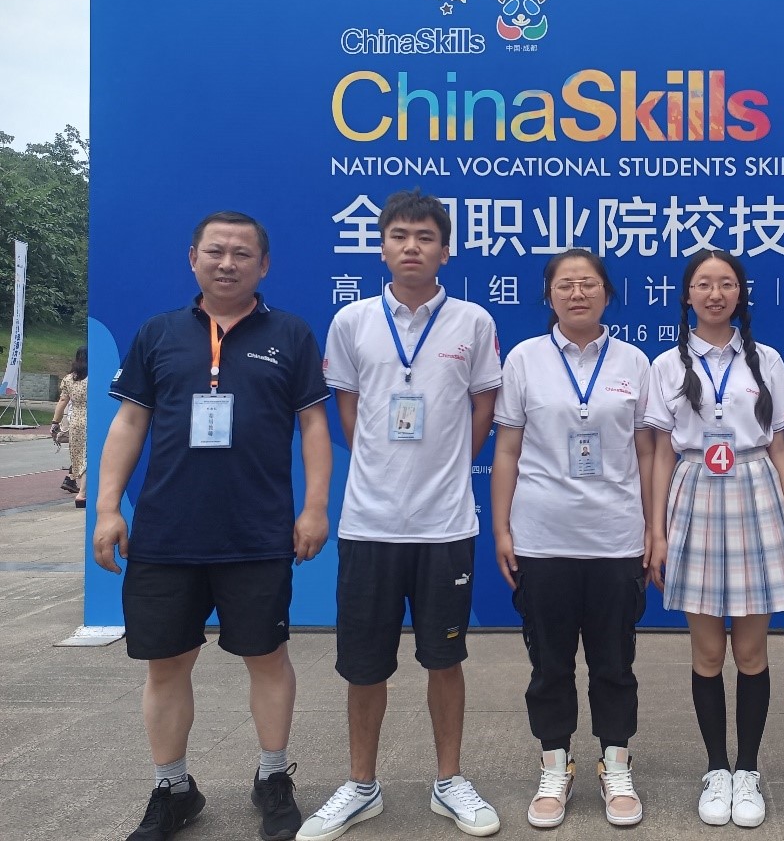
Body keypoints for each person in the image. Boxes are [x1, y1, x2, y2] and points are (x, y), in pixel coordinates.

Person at [94, 211, 333, 841]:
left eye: (242, 254)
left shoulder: (290, 334)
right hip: (166, 533)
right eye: (216, 251)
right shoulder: (158, 333)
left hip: (257, 532)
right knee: (166, 664)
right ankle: (172, 788)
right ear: (193, 257)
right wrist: (108, 507)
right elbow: (129, 423)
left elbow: (314, 426)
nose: (228, 263)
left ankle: (273, 777)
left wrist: (314, 508)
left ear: (264, 265)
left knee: (267, 657)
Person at [302, 190, 502, 841]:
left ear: (446, 250)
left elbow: (483, 406)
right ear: (381, 246)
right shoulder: (352, 321)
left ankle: (450, 781)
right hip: (369, 523)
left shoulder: (473, 321)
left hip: (446, 525)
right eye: (399, 235)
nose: (411, 246)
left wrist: (451, 462)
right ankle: (361, 785)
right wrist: (382, 462)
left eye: (425, 236)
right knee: (364, 665)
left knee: (445, 659)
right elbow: (349, 408)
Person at [490, 248, 654, 829]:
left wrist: (652, 528)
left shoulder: (634, 361)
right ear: (549, 295)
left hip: (615, 537)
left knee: (614, 662)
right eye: (565, 285)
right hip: (543, 536)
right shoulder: (525, 359)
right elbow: (507, 449)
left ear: (607, 293)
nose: (577, 293)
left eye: (588, 284)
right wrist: (502, 527)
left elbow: (646, 451)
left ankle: (616, 763)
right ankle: (555, 764)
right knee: (550, 663)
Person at [644, 249, 784, 829]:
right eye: (704, 284)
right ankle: (716, 768)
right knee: (708, 652)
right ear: (687, 295)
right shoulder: (667, 364)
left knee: (752, 652)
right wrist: (656, 529)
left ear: (741, 293)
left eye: (726, 284)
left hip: (756, 488)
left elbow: (780, 443)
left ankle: (748, 771)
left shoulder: (767, 360)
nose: (715, 294)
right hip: (693, 491)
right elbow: (661, 452)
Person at [51, 344, 88, 508]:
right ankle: (83, 494)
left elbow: (62, 401)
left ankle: (78, 485)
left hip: (75, 421)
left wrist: (55, 422)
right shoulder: (94, 377)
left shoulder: (68, 379)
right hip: (91, 418)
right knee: (89, 456)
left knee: (78, 455)